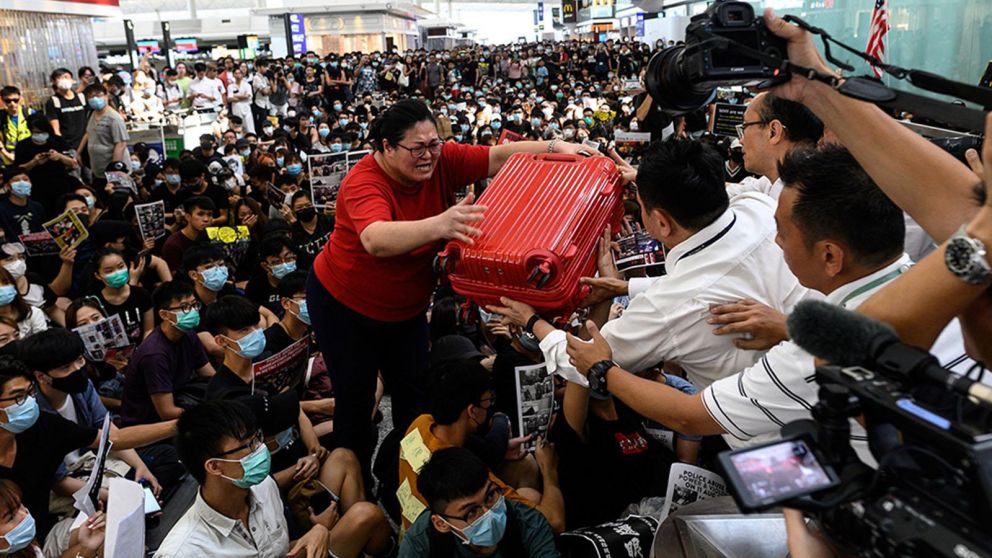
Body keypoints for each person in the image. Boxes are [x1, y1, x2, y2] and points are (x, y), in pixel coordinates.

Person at [306, 97, 593, 477]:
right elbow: (375, 238)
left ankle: (410, 479)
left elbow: (497, 156)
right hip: (345, 306)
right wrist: (442, 224)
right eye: (417, 148)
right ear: (387, 146)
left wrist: (557, 147)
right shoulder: (364, 182)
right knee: (357, 400)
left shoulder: (442, 160)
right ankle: (353, 482)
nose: (428, 155)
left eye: (434, 144)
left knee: (416, 398)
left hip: (405, 308)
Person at [493, 139, 807, 390]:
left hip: (760, 437)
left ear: (661, 222)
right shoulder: (760, 207)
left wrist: (531, 321)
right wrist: (625, 287)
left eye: (641, 206)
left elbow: (582, 360)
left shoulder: (669, 307)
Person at [156, 398, 393, 558]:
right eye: (248, 446)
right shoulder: (185, 551)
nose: (261, 450)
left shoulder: (263, 486)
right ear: (215, 466)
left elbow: (276, 551)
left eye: (257, 438)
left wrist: (317, 533)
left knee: (368, 513)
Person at [0, 355, 175, 536]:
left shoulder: (41, 425)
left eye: (30, 393)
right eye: (18, 397)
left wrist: (177, 426)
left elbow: (114, 438)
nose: (29, 402)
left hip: (46, 529)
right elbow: (60, 484)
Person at [398, 359, 564, 534]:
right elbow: (555, 522)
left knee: (523, 466)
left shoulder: (420, 424)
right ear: (472, 411)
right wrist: (549, 470)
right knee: (532, 496)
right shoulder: (463, 473)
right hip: (452, 542)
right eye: (487, 401)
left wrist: (502, 449)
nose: (489, 406)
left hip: (411, 531)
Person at [400, 447, 560, 558]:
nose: (489, 514)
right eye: (471, 512)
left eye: (490, 496)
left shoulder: (528, 523)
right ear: (441, 524)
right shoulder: (421, 543)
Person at [120, 281, 215, 426]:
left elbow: (210, 376)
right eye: (184, 307)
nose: (193, 311)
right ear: (164, 314)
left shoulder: (188, 334)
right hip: (149, 424)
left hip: (180, 399)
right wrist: (211, 412)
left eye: (194, 305)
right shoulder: (154, 354)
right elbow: (167, 412)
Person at [13, 114, 79, 216]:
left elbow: (73, 163)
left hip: (60, 185)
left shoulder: (58, 141)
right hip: (37, 188)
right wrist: (34, 162)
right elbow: (18, 169)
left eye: (42, 132)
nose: (40, 135)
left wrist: (59, 157)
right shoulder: (23, 145)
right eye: (36, 132)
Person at [91, 248, 154, 345]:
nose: (117, 273)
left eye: (121, 267)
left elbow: (148, 329)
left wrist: (143, 350)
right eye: (109, 271)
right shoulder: (95, 302)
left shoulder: (142, 294)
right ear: (98, 275)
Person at [77, 83, 130, 188]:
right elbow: (88, 133)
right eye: (91, 96)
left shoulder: (114, 118)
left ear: (106, 96)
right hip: (97, 169)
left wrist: (114, 171)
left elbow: (120, 144)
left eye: (98, 95)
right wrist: (78, 153)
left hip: (112, 171)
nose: (94, 99)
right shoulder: (91, 114)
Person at [160, 196, 215, 273]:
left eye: (209, 214)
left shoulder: (205, 235)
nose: (206, 219)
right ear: (188, 217)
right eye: (200, 214)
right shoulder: (173, 244)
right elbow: (173, 275)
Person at [44, 69, 87, 152]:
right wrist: (65, 148)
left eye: (66, 77)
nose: (64, 80)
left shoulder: (82, 98)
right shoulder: (53, 101)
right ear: (54, 82)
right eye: (60, 78)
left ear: (72, 80)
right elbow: (56, 130)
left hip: (85, 144)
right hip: (68, 146)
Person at [0, 167, 46, 242]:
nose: (22, 183)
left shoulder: (37, 207)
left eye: (25, 179)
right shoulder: (2, 209)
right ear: (7, 186)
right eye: (16, 180)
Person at [0, 86, 34, 169]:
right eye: (8, 101)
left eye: (15, 100)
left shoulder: (30, 113)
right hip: (10, 160)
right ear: (3, 100)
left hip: (31, 158)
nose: (12, 104)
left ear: (20, 98)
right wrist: (6, 153)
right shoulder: (1, 117)